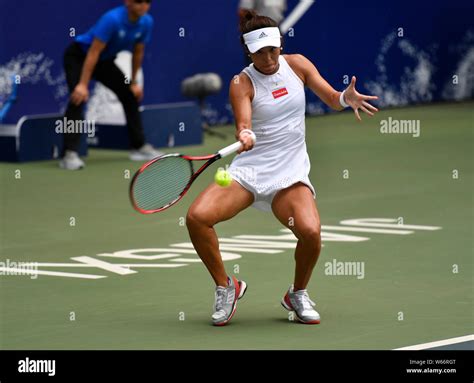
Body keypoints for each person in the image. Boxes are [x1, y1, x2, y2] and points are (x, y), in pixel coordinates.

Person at [186, 11, 379, 326]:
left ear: (280, 44)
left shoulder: (298, 65)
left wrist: (345, 97)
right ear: (248, 52)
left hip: (289, 175)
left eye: (272, 49)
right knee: (197, 218)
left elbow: (331, 98)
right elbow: (244, 121)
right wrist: (245, 133)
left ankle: (297, 294)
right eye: (259, 52)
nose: (268, 58)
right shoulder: (241, 82)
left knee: (311, 232)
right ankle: (226, 286)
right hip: (249, 173)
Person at [60, 0, 161, 170]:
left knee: (129, 95)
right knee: (78, 99)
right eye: (138, 2)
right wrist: (83, 85)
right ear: (128, 2)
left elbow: (138, 52)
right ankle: (68, 154)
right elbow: (93, 52)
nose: (143, 6)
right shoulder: (112, 19)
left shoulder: (147, 22)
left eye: (147, 2)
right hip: (79, 57)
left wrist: (134, 82)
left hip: (104, 61)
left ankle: (138, 147)